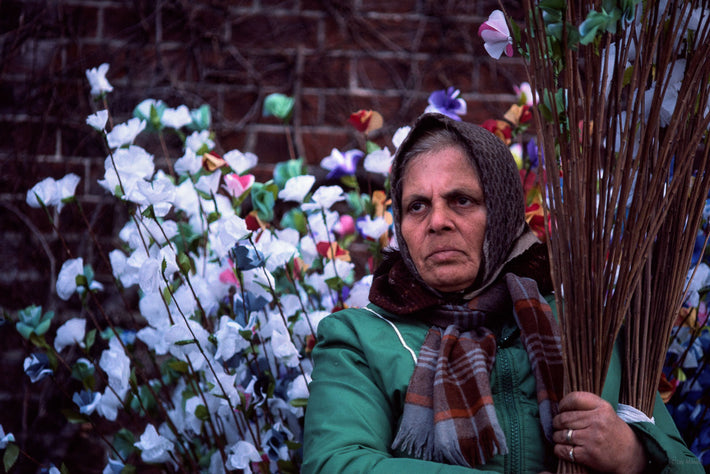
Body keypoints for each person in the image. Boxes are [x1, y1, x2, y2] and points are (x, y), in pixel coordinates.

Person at [301, 113, 701, 473]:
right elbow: (338, 463)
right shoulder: (360, 339)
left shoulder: (587, 327)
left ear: (505, 212)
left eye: (462, 200)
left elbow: (684, 466)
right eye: (418, 206)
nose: (438, 221)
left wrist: (633, 454)